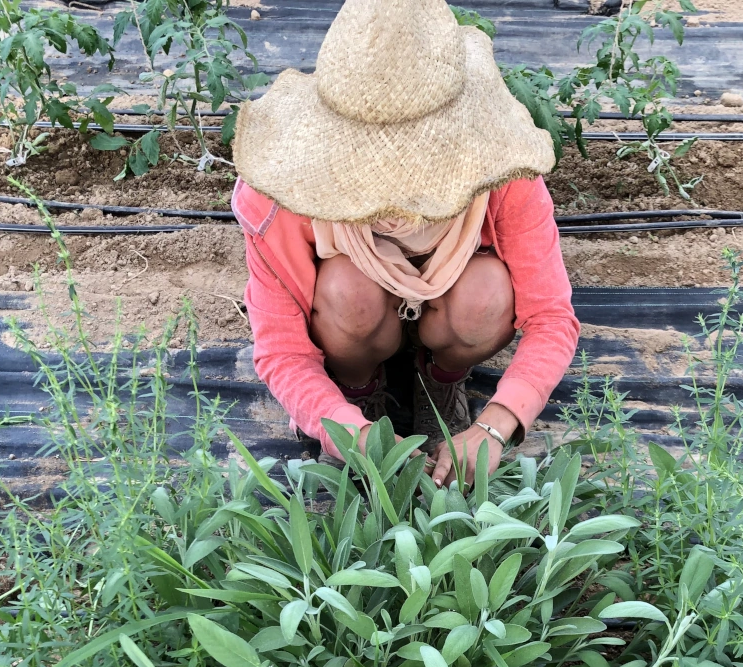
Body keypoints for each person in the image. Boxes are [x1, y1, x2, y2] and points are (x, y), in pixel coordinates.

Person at [231, 0, 579, 488]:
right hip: (353, 321)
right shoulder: (279, 198)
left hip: (450, 308)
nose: (395, 200)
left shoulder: (500, 173)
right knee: (347, 289)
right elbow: (283, 352)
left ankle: (441, 381)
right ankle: (359, 390)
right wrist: (349, 432)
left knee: (486, 293)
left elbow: (551, 318)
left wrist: (496, 424)